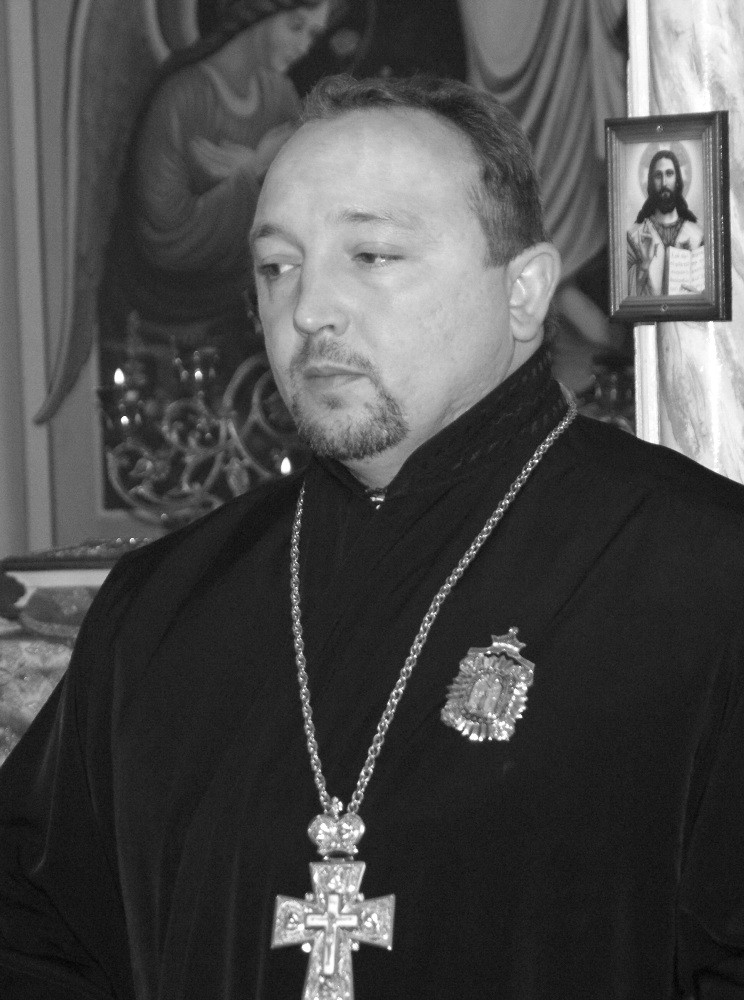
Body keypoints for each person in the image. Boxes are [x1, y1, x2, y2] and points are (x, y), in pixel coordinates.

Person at [1, 75, 743, 1000]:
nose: (309, 307)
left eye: (374, 253)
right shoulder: (165, 605)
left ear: (523, 293)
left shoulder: (703, 575)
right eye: (277, 266)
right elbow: (34, 933)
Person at [627, 148, 705, 297]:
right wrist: (644, 265)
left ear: (677, 180)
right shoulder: (634, 236)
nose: (664, 183)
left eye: (669, 174)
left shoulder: (697, 236)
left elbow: (709, 291)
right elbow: (623, 296)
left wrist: (700, 297)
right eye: (658, 175)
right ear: (651, 182)